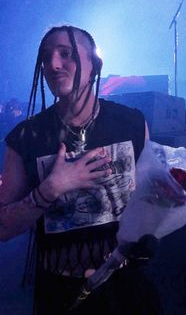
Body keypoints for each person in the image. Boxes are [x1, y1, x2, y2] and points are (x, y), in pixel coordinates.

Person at [0, 25, 161, 314]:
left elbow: (151, 198)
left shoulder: (132, 123)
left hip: (127, 288)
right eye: (46, 57)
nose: (54, 64)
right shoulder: (26, 138)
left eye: (66, 54)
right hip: (61, 294)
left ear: (94, 65)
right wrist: (49, 190)